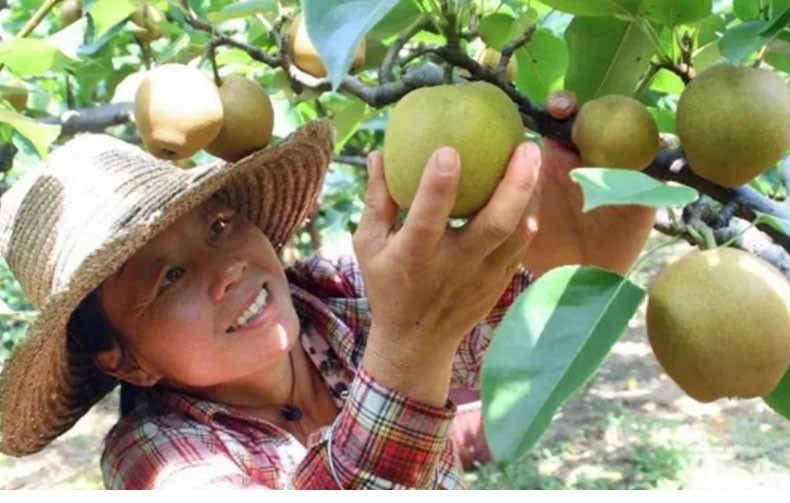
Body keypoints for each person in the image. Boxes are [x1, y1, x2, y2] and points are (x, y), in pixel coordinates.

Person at [0, 91, 655, 489]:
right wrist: (406, 352)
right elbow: (418, 359)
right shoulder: (156, 457)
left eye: (220, 225)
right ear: (125, 358)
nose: (225, 266)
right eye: (168, 278)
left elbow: (497, 339)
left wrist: (587, 238)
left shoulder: (333, 295)